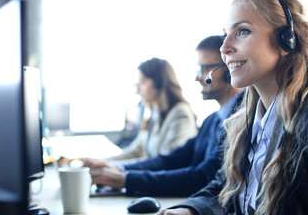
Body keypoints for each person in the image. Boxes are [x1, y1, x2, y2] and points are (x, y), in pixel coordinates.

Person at [157, 0, 308, 215]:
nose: (224, 48)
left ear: (286, 41)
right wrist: (188, 210)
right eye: (225, 34)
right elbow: (228, 187)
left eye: (242, 31)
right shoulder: (245, 119)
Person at [83, 35, 244, 196]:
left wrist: (126, 179)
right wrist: (118, 169)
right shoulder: (213, 120)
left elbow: (202, 177)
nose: (197, 78)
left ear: (230, 69)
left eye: (204, 69)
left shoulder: (241, 120)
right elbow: (172, 159)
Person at [112, 57, 198, 160]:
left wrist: (118, 171)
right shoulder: (154, 114)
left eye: (143, 82)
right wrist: (99, 162)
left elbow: (167, 161)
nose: (138, 90)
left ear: (159, 82)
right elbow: (135, 151)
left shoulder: (180, 114)